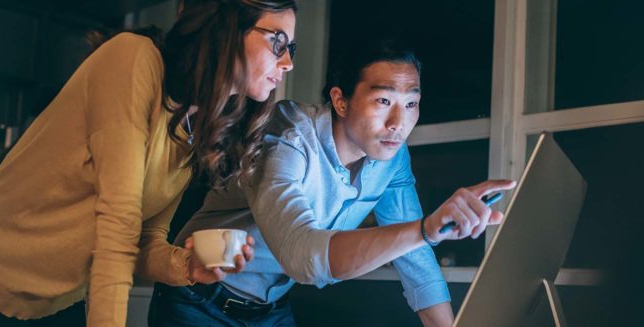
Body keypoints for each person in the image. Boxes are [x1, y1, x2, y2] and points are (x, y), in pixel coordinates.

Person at [0, 0, 298, 326]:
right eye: (277, 41)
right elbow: (118, 225)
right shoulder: (134, 60)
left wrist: (186, 267)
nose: (288, 62)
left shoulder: (197, 124)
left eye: (291, 47)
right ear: (226, 28)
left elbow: (144, 239)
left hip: (56, 301)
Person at [150, 38, 516, 326]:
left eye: (411, 104)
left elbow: (415, 257)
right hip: (199, 300)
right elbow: (301, 255)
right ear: (340, 101)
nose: (398, 123)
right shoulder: (285, 135)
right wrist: (426, 229)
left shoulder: (391, 159)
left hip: (270, 308)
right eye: (384, 100)